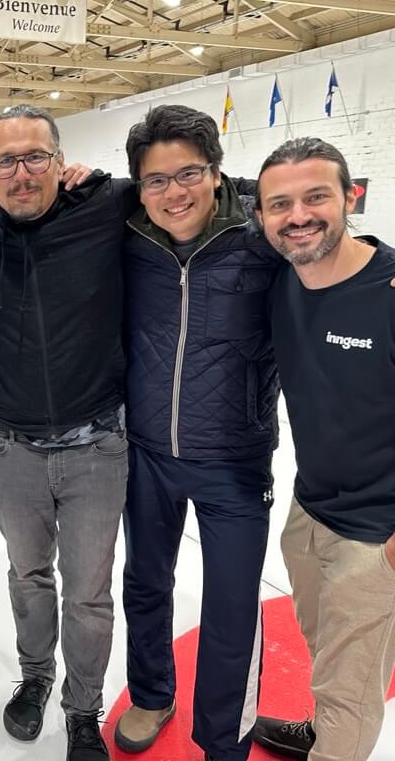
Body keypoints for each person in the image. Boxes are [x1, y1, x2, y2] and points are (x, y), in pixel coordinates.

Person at [0, 104, 133, 760]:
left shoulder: (106, 202)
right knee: (28, 579)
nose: (21, 173)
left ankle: (84, 711)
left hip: (98, 447)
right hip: (13, 447)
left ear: (61, 160)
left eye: (35, 157)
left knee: (88, 595)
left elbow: (203, 198)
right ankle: (35, 680)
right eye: (6, 161)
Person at [113, 106, 280, 761]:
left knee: (234, 607)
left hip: (236, 460)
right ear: (138, 186)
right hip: (148, 453)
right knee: (145, 583)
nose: (173, 192)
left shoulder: (260, 241)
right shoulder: (127, 239)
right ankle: (152, 693)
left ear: (216, 173)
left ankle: (223, 740)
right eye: (156, 180)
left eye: (189, 173)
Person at [251, 137, 395, 761]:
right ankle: (324, 730)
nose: (298, 215)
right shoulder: (282, 280)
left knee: (351, 688)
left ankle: (334, 743)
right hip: (310, 509)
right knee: (321, 646)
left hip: (377, 532)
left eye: (316, 197)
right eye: (279, 203)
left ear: (350, 197)